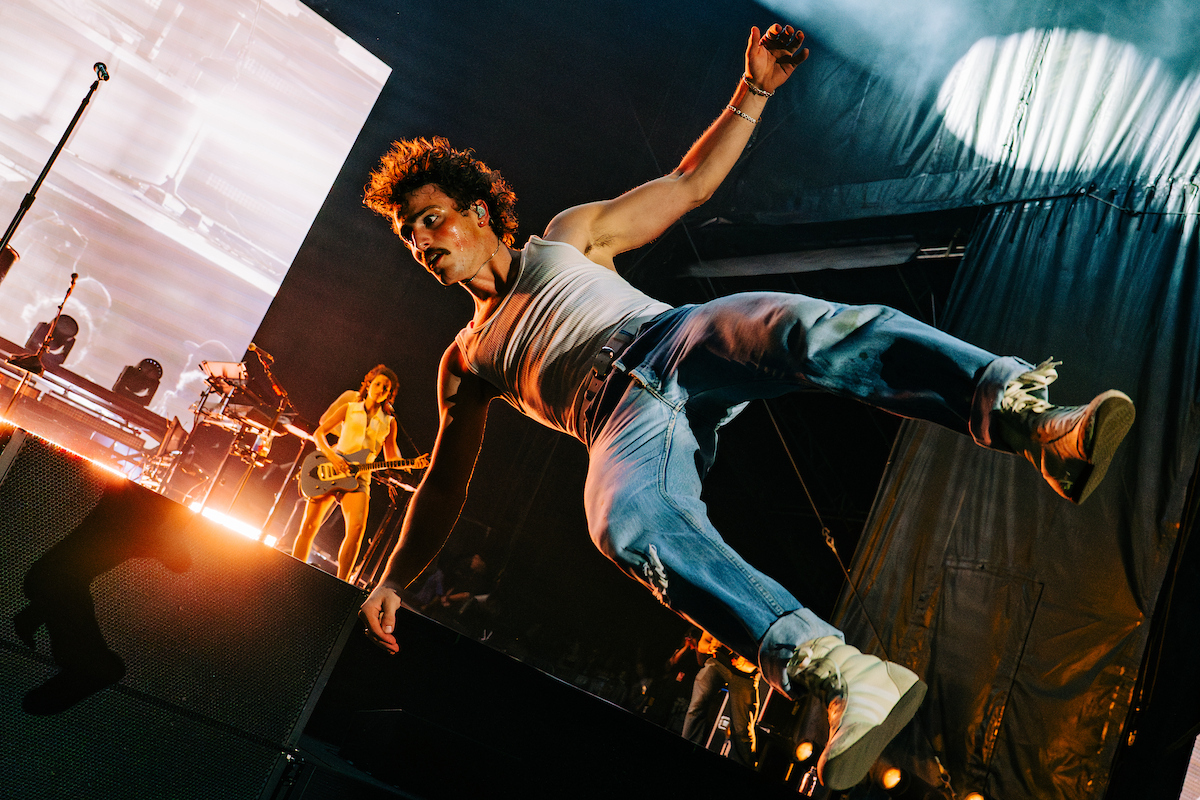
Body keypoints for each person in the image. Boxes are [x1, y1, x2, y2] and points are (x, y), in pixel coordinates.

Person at [357, 23, 1135, 791]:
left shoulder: (566, 239)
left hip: (671, 340)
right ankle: (839, 674)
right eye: (407, 235)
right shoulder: (467, 361)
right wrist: (396, 576)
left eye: (430, 218)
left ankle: (1033, 421)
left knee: (801, 329)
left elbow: (688, 184)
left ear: (479, 211)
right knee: (618, 523)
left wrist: (753, 90)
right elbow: (445, 483)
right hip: (620, 426)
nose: (421, 241)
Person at [292, 364, 402, 581]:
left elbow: (392, 457)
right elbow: (319, 433)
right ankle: (291, 571)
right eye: (378, 384)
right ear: (369, 384)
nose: (381, 389)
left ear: (389, 394)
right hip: (333, 467)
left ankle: (340, 583)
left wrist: (410, 464)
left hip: (360, 477)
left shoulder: (389, 422)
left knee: (357, 529)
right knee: (310, 524)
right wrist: (333, 456)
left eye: (386, 388)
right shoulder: (350, 408)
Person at [681, 631, 760, 767]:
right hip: (718, 663)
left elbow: (767, 656)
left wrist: (749, 663)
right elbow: (702, 644)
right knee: (697, 705)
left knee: (742, 729)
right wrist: (711, 647)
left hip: (745, 674)